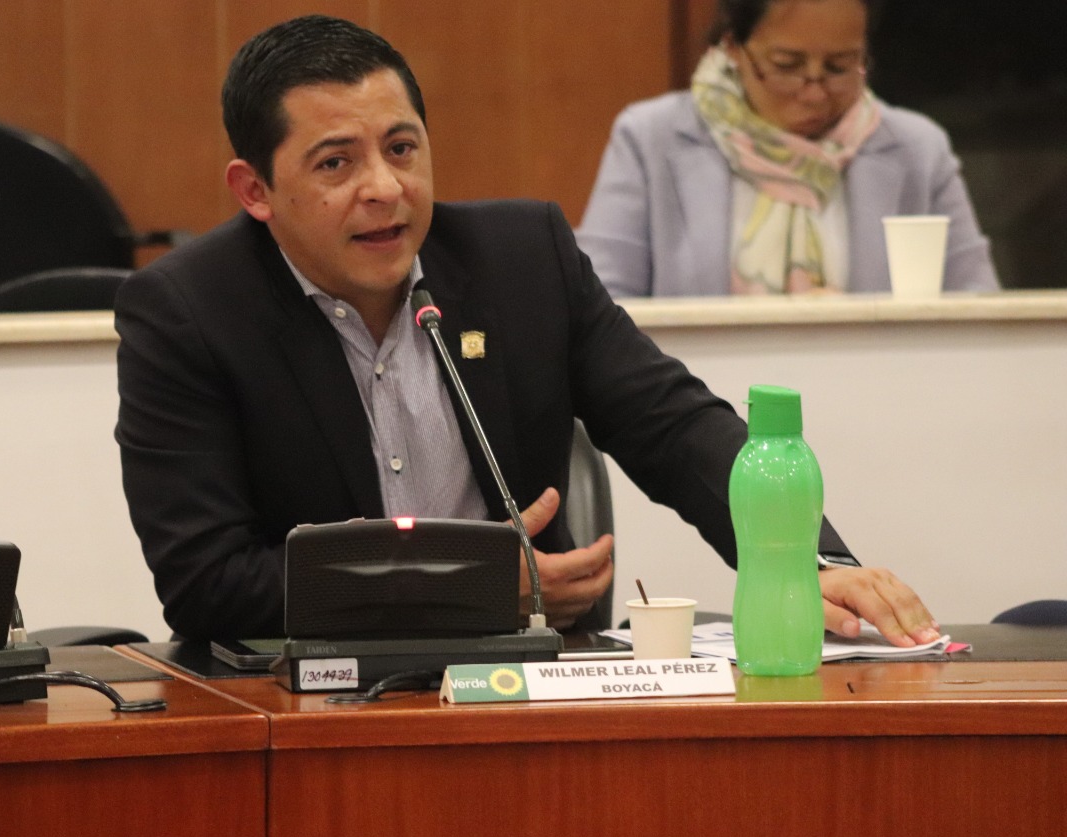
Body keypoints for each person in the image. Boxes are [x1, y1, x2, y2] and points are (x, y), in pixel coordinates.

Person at [114, 14, 939, 647]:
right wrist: (465, 585)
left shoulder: (522, 260)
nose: (385, 188)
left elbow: (672, 423)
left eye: (401, 148)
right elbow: (206, 582)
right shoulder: (187, 312)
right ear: (255, 190)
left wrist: (800, 560)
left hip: (527, 681)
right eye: (336, 163)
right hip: (310, 699)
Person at [576, 0, 1001, 298]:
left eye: (839, 67)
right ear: (733, 48)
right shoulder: (651, 138)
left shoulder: (917, 149)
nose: (814, 93)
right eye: (786, 66)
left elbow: (978, 309)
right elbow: (599, 310)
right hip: (694, 399)